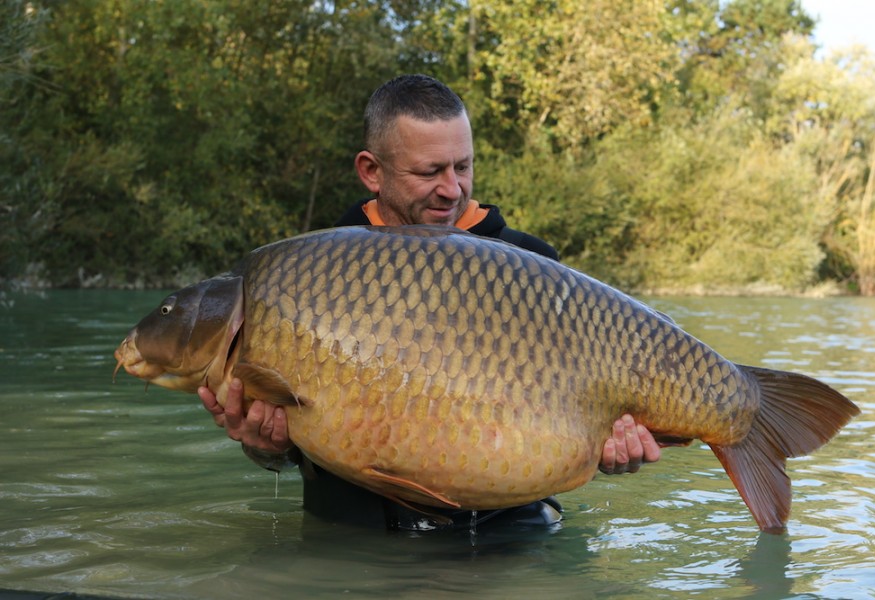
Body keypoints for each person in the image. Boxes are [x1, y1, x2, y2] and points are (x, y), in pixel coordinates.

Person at [198, 74, 661, 531]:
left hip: (506, 540)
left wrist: (612, 450)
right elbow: (288, 446)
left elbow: (576, 418)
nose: (452, 189)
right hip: (352, 546)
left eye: (462, 166)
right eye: (429, 171)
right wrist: (265, 446)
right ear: (371, 171)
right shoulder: (309, 275)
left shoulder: (534, 266)